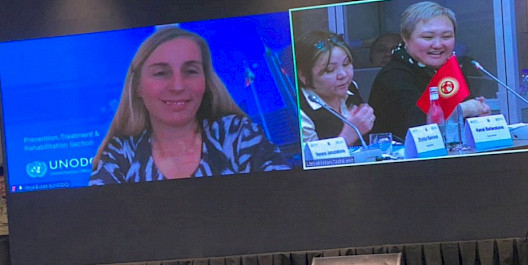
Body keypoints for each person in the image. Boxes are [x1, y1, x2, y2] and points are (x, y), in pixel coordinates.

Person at [90, 28, 290, 183]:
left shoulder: (237, 135)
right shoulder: (121, 153)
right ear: (137, 87)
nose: (178, 86)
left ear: (206, 82)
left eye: (191, 71)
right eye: (161, 73)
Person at [368, 2, 490, 140]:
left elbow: (464, 121)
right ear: (405, 38)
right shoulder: (393, 76)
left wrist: (479, 116)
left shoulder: (450, 69)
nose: (438, 45)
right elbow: (418, 127)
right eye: (428, 37)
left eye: (446, 36)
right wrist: (463, 110)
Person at [295, 30, 375, 145]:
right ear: (304, 76)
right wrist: (347, 136)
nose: (343, 75)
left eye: (346, 64)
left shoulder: (350, 88)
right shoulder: (300, 111)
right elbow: (311, 156)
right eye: (329, 70)